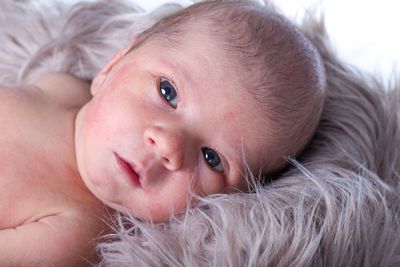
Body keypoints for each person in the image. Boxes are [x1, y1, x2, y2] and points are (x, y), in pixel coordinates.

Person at [0, 0, 325, 265]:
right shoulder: (61, 85)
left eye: (212, 158)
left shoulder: (73, 232)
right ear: (112, 66)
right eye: (167, 92)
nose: (169, 145)